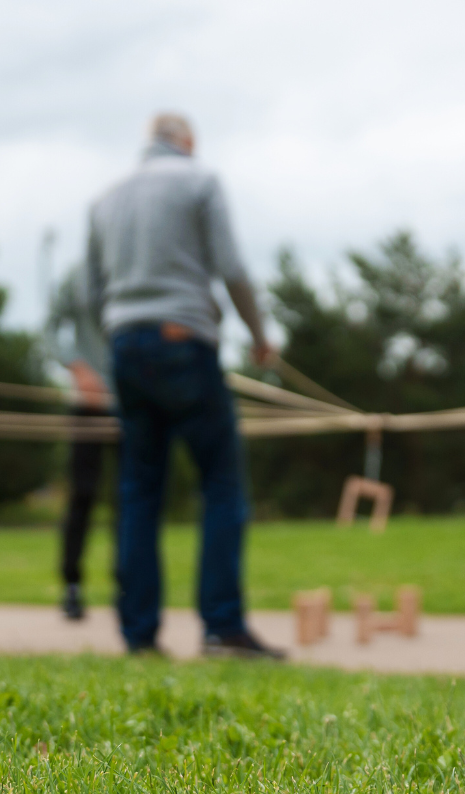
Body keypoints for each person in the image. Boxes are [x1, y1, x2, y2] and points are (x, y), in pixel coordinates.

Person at [88, 113, 284, 658]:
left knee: (138, 493)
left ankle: (138, 633)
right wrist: (260, 336)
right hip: (183, 342)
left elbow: (89, 293)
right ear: (187, 142)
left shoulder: (104, 200)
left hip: (124, 347)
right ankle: (222, 628)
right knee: (221, 484)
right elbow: (232, 266)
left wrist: (107, 354)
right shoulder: (200, 180)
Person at [44, 262, 112, 620]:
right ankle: (72, 585)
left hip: (134, 402)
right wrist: (78, 368)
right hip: (87, 403)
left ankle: (129, 586)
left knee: (131, 498)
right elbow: (50, 330)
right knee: (82, 494)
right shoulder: (77, 276)